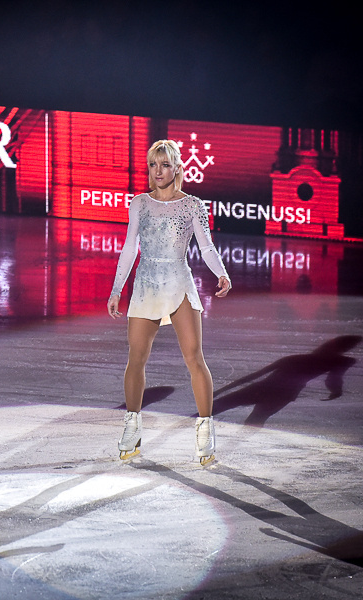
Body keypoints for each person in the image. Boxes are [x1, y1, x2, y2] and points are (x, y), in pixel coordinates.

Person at [107, 139, 231, 465]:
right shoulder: (139, 203)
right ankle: (131, 429)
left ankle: (205, 432)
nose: (157, 171)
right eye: (152, 165)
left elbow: (205, 247)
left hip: (179, 282)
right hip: (147, 283)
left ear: (177, 168)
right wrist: (117, 288)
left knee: (194, 358)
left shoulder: (192, 205)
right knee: (136, 359)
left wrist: (221, 272)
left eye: (164, 165)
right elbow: (129, 248)